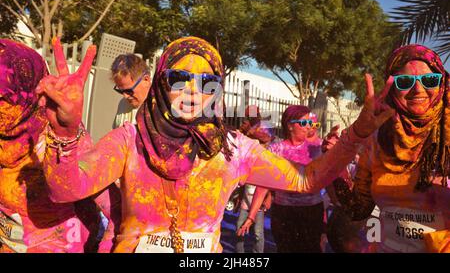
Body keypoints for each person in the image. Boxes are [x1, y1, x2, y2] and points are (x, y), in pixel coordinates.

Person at [36, 36, 393, 253]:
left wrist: (357, 134)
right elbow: (63, 188)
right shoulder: (131, 140)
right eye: (180, 79)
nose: (194, 92)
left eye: (207, 82)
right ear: (161, 81)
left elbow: (306, 179)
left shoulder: (232, 150)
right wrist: (66, 131)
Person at [324, 44, 449, 253]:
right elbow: (358, 209)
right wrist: (335, 159)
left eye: (429, 80)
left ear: (442, 83)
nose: (418, 89)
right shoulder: (377, 140)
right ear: (392, 88)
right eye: (405, 81)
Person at [0, 39, 117, 253]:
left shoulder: (60, 138)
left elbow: (118, 213)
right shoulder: (6, 142)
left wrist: (107, 247)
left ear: (25, 94)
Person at [238, 106, 326, 252]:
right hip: (284, 213)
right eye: (303, 123)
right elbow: (263, 186)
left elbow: (329, 180)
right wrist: (251, 216)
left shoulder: (317, 148)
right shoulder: (275, 150)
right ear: (290, 126)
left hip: (312, 211)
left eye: (310, 123)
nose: (308, 127)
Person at [235, 112, 274, 253]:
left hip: (259, 204)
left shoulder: (268, 153)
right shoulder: (249, 150)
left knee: (258, 234)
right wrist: (239, 196)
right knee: (239, 228)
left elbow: (269, 180)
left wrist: (269, 196)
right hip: (246, 201)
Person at [111, 54, 151, 128]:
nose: (125, 96)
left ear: (146, 80)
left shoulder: (161, 109)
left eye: (129, 91)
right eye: (121, 91)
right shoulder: (123, 104)